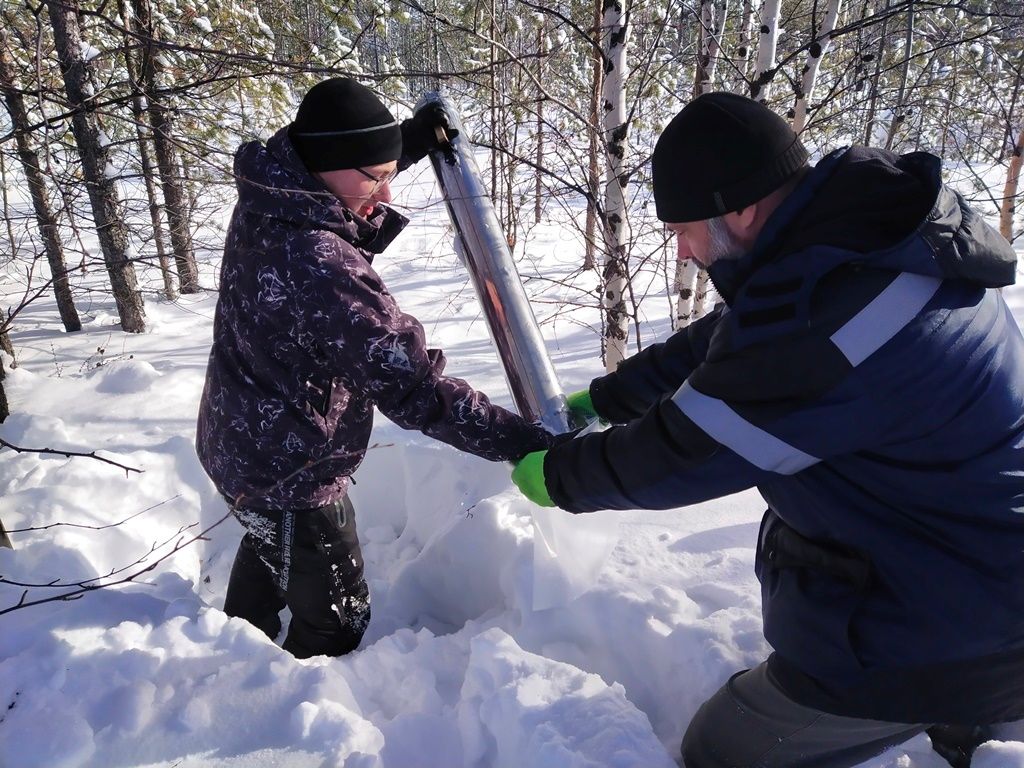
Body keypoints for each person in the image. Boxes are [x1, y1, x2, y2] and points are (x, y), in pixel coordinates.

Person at [511, 92, 1024, 768]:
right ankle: (965, 718)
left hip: (951, 624)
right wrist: (608, 396)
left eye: (685, 227)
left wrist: (557, 477)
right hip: (968, 566)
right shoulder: (869, 244)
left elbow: (684, 453)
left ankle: (955, 705)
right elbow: (736, 338)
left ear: (741, 209)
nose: (685, 250)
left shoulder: (832, 327)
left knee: (721, 750)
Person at [196, 77, 553, 660]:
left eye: (389, 172)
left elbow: (342, 168)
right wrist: (523, 440)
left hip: (238, 436)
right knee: (339, 619)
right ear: (330, 163)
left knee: (272, 543)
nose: (384, 196)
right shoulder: (319, 264)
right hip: (290, 470)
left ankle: (237, 641)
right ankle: (280, 698)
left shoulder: (273, 190)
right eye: (376, 177)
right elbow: (413, 386)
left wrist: (398, 147)